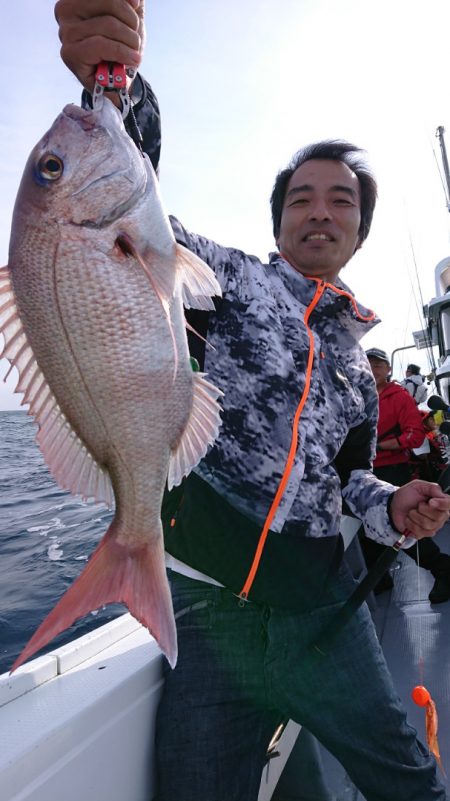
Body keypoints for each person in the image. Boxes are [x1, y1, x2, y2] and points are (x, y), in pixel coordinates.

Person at [54, 3, 450, 799]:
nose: (320, 211)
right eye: (302, 197)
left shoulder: (354, 363)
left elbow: (350, 482)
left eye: (341, 201)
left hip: (323, 617)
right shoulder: (227, 282)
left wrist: (393, 501)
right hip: (206, 617)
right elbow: (128, 204)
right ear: (278, 220)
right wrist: (115, 86)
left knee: (413, 782)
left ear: (359, 232)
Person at [362, 348, 450, 603]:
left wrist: (378, 446)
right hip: (364, 472)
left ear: (388, 369)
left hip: (392, 471)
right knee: (366, 532)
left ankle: (443, 569)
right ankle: (380, 580)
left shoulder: (399, 396)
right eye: (368, 364)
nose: (372, 368)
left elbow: (415, 436)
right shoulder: (357, 396)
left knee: (406, 529)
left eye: (378, 364)